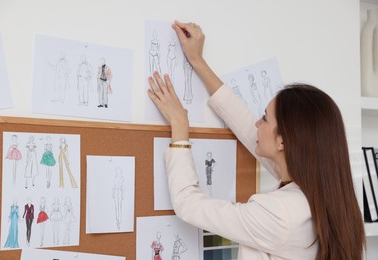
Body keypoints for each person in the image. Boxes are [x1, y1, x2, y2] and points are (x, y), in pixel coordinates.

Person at [147, 21, 365, 260]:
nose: (256, 123)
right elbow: (248, 127)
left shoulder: (278, 214)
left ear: (283, 142)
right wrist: (197, 61)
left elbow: (189, 204)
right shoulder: (320, 193)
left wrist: (179, 126)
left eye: (264, 118)